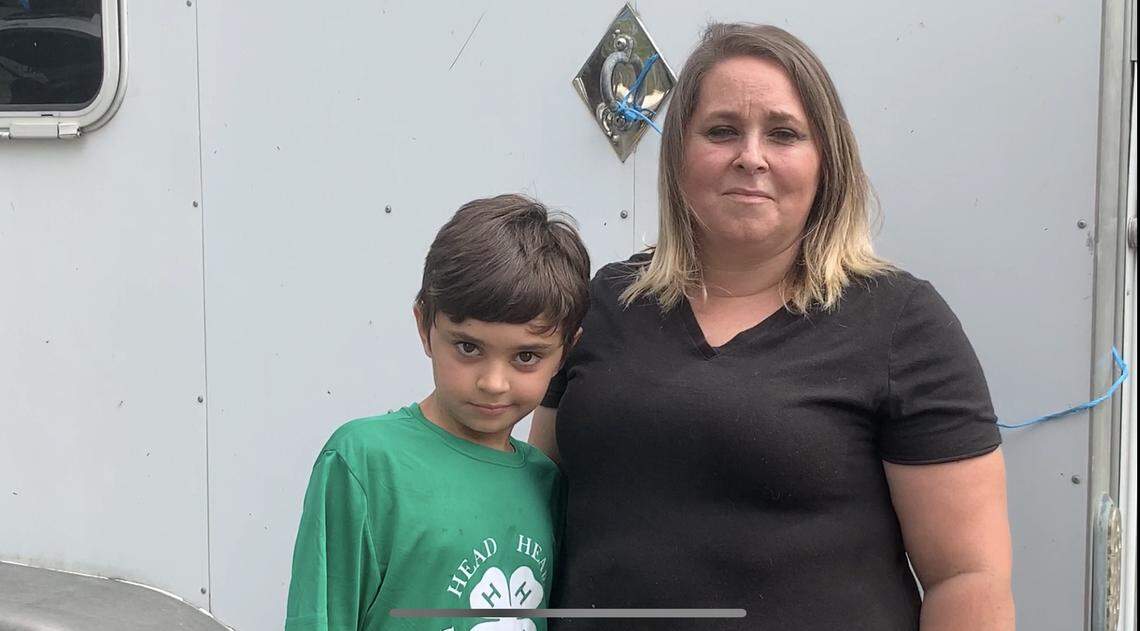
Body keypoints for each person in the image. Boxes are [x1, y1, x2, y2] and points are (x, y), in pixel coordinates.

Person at [530, 23, 1014, 630]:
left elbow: (967, 578)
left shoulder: (903, 324)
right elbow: (529, 503)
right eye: (721, 130)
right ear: (680, 152)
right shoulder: (604, 303)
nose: (750, 157)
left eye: (783, 134)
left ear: (826, 162)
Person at [286, 194, 590, 631]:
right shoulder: (366, 462)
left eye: (526, 356)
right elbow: (318, 618)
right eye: (468, 347)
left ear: (565, 353)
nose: (493, 382)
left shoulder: (547, 484)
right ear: (424, 327)